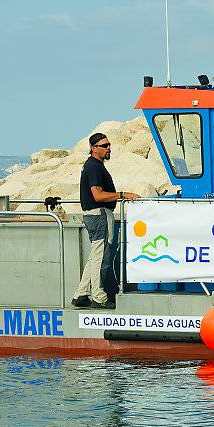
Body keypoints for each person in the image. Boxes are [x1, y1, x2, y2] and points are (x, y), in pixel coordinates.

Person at [73, 132, 140, 309]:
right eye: (105, 146)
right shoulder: (94, 167)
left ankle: (80, 294)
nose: (109, 148)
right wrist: (123, 194)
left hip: (93, 215)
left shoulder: (93, 165)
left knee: (95, 255)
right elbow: (98, 195)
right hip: (99, 215)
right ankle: (99, 297)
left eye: (109, 145)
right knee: (100, 258)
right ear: (94, 148)